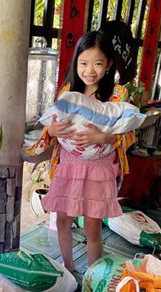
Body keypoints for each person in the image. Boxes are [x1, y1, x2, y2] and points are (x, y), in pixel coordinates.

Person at [30, 31, 136, 271]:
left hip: (98, 169)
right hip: (68, 165)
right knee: (63, 219)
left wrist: (102, 137)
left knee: (92, 225)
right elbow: (51, 123)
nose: (90, 70)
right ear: (76, 62)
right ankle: (67, 267)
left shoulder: (117, 95)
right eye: (84, 63)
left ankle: (92, 278)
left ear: (108, 64)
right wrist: (53, 130)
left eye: (98, 63)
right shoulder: (67, 90)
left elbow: (129, 133)